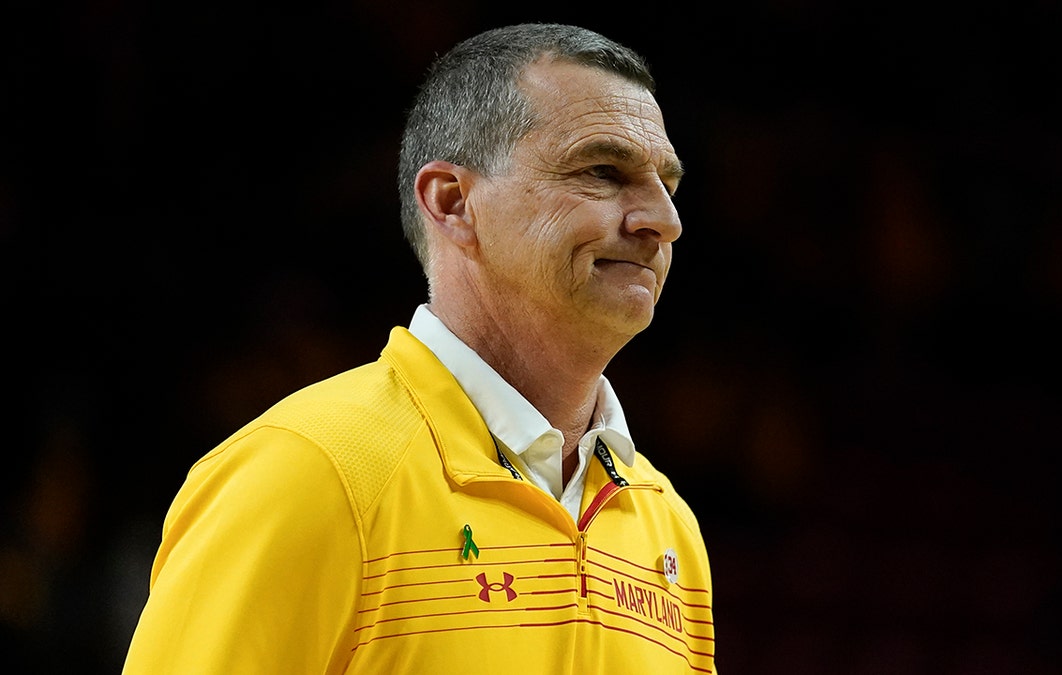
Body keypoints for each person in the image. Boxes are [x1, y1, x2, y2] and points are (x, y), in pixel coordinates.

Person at [122, 22, 716, 674]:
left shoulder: (667, 527)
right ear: (453, 201)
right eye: (604, 171)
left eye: (668, 183)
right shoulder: (309, 473)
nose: (664, 220)